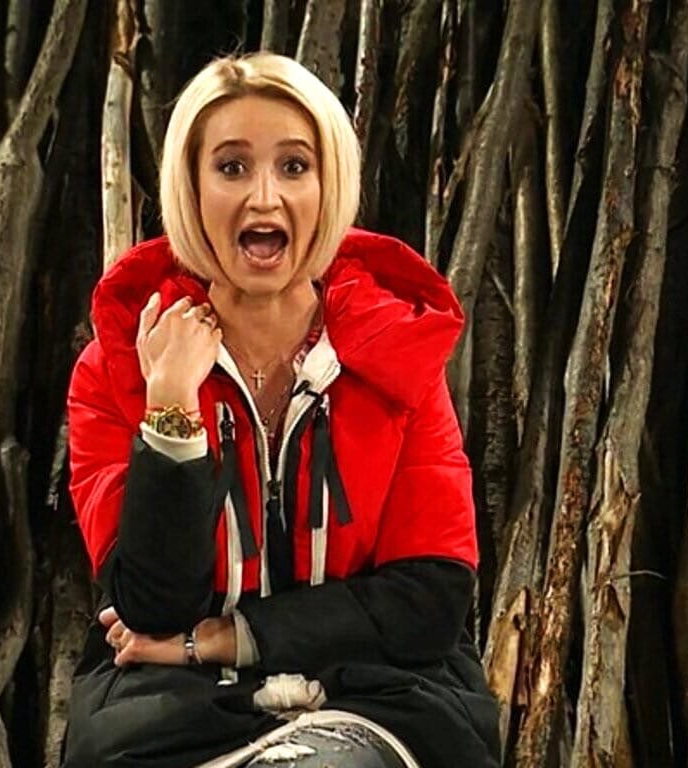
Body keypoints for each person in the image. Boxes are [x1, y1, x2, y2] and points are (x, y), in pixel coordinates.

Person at [61, 52, 500, 767]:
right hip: (172, 710)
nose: (264, 197)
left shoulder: (397, 355)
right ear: (191, 188)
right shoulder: (117, 369)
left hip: (377, 693)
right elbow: (152, 606)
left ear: (329, 187)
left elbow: (429, 600)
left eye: (294, 166)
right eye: (232, 167)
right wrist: (171, 409)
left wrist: (226, 638)